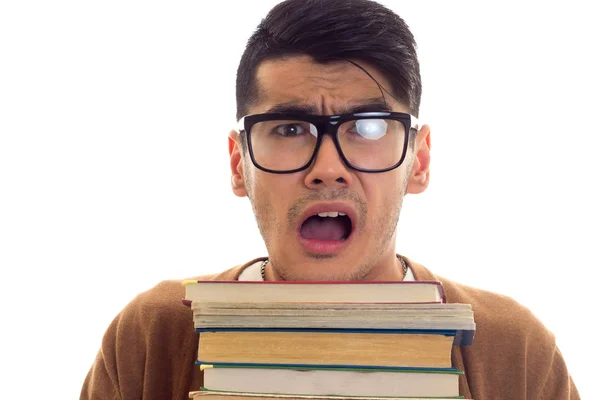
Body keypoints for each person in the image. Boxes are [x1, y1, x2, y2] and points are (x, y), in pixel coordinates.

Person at [80, 0, 579, 398]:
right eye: (290, 128)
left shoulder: (515, 349)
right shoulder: (151, 337)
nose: (326, 169)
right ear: (239, 164)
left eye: (367, 127)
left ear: (418, 160)